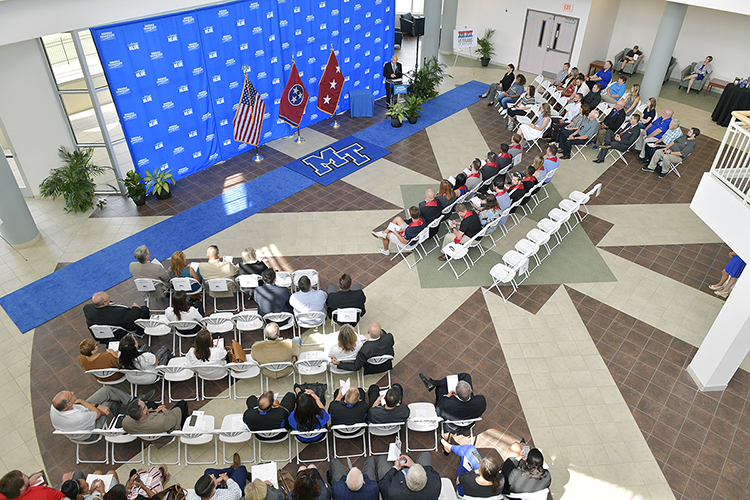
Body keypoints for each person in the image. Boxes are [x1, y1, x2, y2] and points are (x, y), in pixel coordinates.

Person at [50, 386, 133, 440]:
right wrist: (83, 402)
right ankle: (120, 414)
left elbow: (82, 406)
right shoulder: (79, 417)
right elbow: (97, 413)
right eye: (71, 395)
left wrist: (94, 405)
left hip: (83, 414)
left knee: (106, 390)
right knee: (108, 403)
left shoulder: (55, 407)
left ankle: (131, 399)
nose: (72, 392)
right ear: (69, 404)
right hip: (90, 431)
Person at [418, 372, 487, 436]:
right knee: (466, 376)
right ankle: (433, 383)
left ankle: (434, 383)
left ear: (455, 393)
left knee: (440, 389)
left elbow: (438, 412)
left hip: (453, 426)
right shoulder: (481, 401)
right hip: (469, 423)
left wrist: (447, 396)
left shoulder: (448, 405)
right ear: (471, 391)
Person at [83, 292, 149, 340]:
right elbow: (133, 316)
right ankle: (141, 331)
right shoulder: (118, 313)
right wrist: (136, 308)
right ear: (105, 303)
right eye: (108, 298)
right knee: (144, 310)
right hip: (121, 329)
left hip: (104, 331)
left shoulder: (87, 308)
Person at [122, 398, 189, 445]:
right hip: (163, 437)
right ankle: (186, 428)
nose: (146, 405)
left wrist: (155, 411)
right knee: (182, 404)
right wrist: (165, 410)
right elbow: (172, 420)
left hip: (147, 437)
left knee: (151, 404)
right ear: (144, 411)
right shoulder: (161, 420)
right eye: (145, 406)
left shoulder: (125, 423)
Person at [376, 453, 441, 500]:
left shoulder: (392, 492)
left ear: (406, 479)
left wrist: (395, 468)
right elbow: (430, 470)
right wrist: (413, 464)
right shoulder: (436, 482)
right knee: (426, 455)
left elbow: (382, 483)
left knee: (382, 459)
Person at [0, 470, 65, 500]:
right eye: (24, 476)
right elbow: (62, 495)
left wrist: (28, 483)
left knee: (33, 475)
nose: (24, 473)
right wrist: (66, 480)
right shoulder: (43, 495)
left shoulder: (3, 491)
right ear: (21, 489)